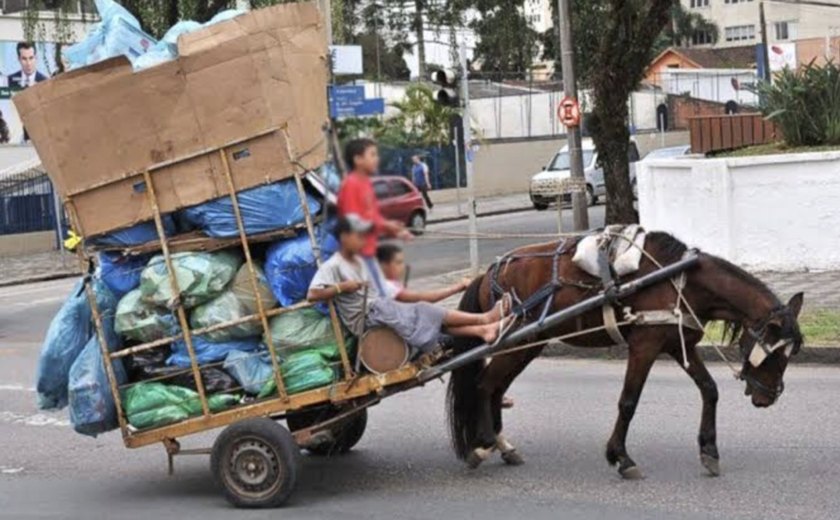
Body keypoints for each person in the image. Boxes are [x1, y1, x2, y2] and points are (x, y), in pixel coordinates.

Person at [308, 215, 511, 355]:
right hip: (367, 317)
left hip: (381, 309)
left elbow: (404, 295)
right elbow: (312, 295)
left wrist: (457, 287)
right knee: (422, 311)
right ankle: (483, 319)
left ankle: (483, 331)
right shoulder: (333, 265)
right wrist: (343, 287)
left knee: (427, 321)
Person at [337, 138, 412, 296]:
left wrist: (395, 230)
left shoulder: (365, 183)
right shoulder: (351, 184)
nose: (377, 159)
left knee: (382, 294)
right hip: (360, 254)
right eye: (372, 154)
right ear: (358, 159)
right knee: (379, 298)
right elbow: (353, 224)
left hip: (369, 250)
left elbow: (374, 216)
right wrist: (386, 226)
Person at [377, 242, 471, 303]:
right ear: (384, 265)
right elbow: (426, 298)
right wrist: (458, 287)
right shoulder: (389, 288)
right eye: (398, 263)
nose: (403, 266)